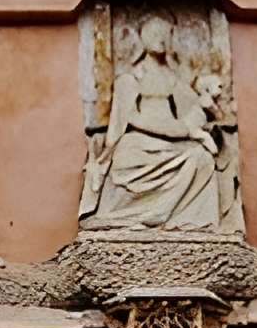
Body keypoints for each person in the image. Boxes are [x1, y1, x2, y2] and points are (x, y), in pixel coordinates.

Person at [81, 16, 226, 232]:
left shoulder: (174, 78)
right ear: (143, 37)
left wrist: (208, 109)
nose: (161, 38)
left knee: (203, 158)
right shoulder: (130, 78)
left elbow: (196, 109)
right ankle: (139, 215)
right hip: (139, 143)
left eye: (166, 33)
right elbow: (128, 120)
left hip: (174, 143)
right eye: (154, 32)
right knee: (126, 157)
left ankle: (181, 218)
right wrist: (183, 131)